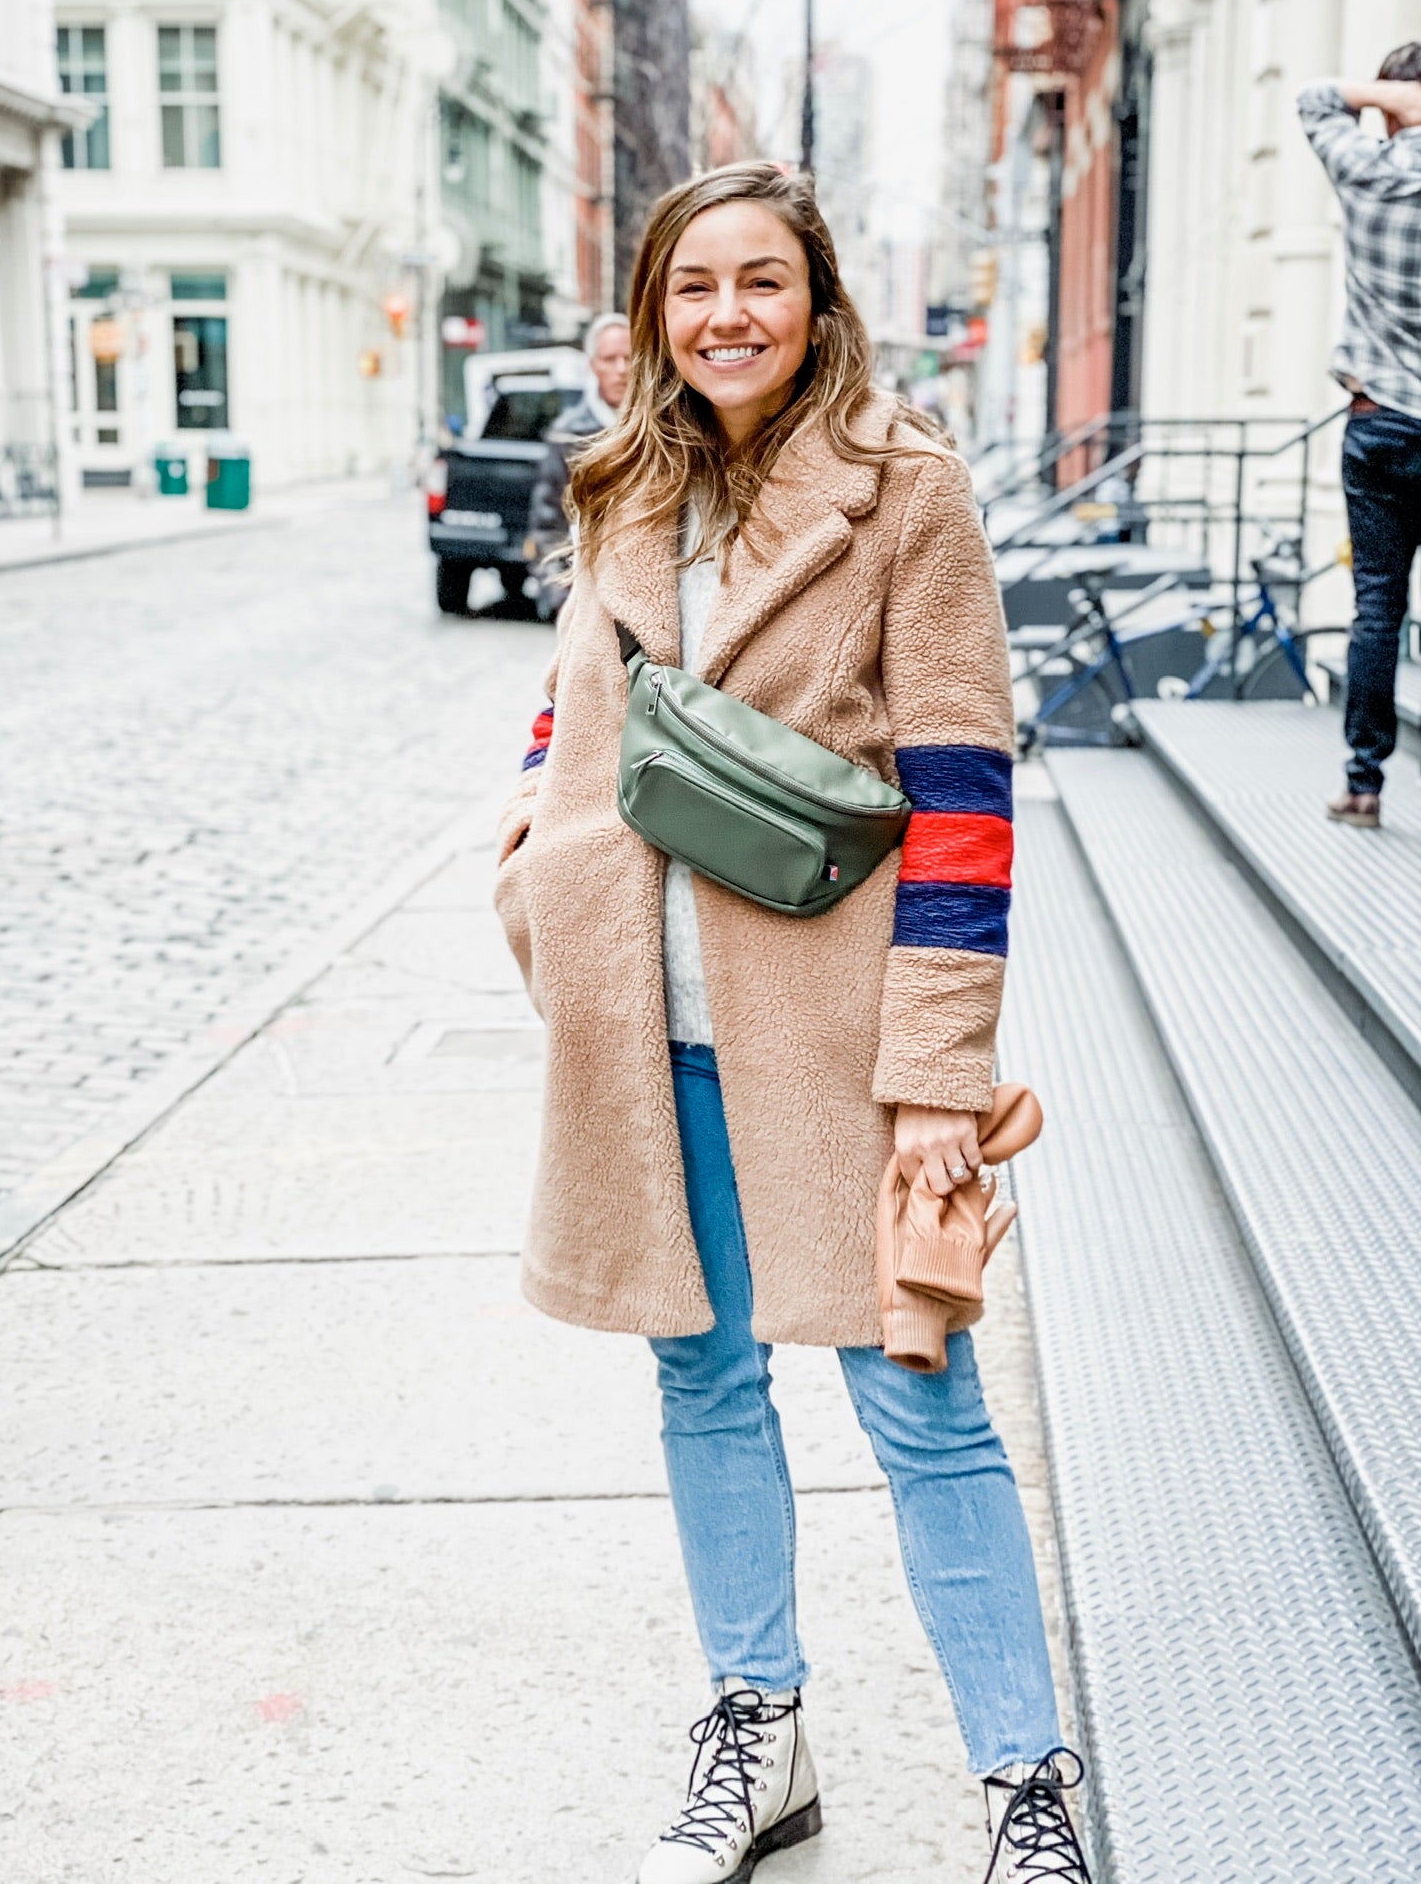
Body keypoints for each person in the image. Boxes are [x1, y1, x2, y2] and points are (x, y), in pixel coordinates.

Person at [493, 162, 1091, 1884]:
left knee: (917, 1394)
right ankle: (757, 1725)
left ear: (818, 301)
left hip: (832, 1031)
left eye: (762, 281)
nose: (727, 315)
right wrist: (533, 853)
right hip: (636, 1018)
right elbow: (567, 703)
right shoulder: (626, 480)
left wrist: (935, 1076)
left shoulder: (906, 492)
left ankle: (1022, 1777)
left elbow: (964, 795)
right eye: (693, 286)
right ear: (651, 313)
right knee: (700, 1370)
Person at [1298, 48, 1421, 827]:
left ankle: (1363, 782)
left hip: (1378, 424)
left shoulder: (1366, 171)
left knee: (1377, 607)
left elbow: (1314, 99)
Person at [527, 311, 631, 618]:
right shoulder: (568, 433)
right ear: (593, 365)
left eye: (629, 357)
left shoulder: (662, 426)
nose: (621, 369)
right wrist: (562, 601)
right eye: (609, 359)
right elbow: (548, 525)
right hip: (587, 602)